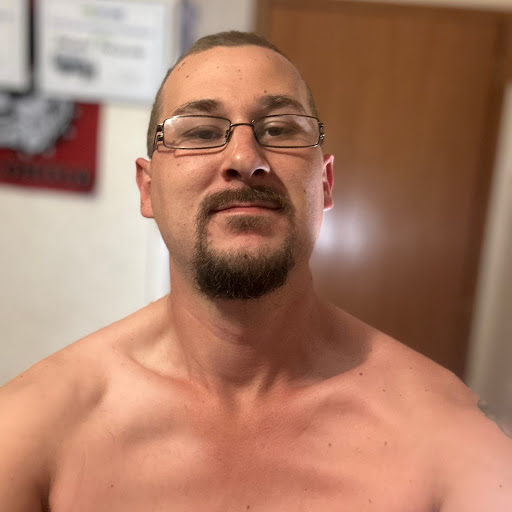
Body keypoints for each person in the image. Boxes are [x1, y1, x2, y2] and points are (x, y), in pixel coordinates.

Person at [1, 31, 510, 512]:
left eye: (280, 129)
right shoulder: (30, 430)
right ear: (147, 188)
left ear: (325, 184)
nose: (245, 158)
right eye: (201, 132)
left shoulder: (451, 439)